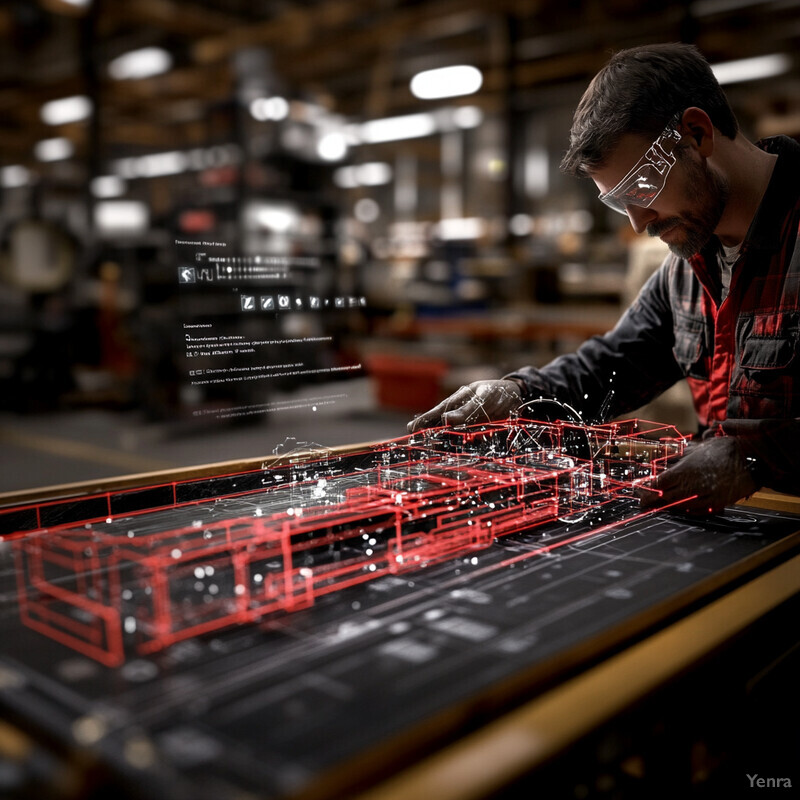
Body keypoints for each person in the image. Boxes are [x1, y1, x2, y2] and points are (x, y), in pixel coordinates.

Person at [408, 42, 800, 514]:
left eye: (641, 187)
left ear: (696, 133)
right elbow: (614, 363)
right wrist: (519, 393)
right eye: (618, 201)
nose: (636, 222)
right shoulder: (687, 271)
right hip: (748, 527)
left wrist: (753, 459)